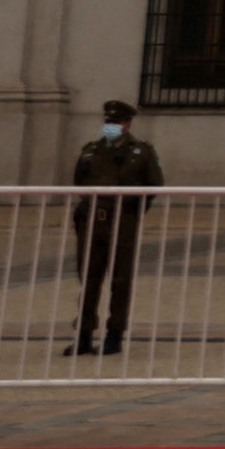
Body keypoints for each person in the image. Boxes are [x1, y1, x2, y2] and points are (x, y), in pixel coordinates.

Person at [67, 99, 163, 357]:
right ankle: (84, 333)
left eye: (116, 122)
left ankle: (114, 334)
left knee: (120, 280)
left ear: (127, 124)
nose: (111, 126)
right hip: (91, 221)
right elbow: (79, 182)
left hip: (122, 221)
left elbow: (153, 185)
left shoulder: (140, 152)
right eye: (108, 122)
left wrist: (132, 212)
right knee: (88, 278)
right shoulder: (91, 150)